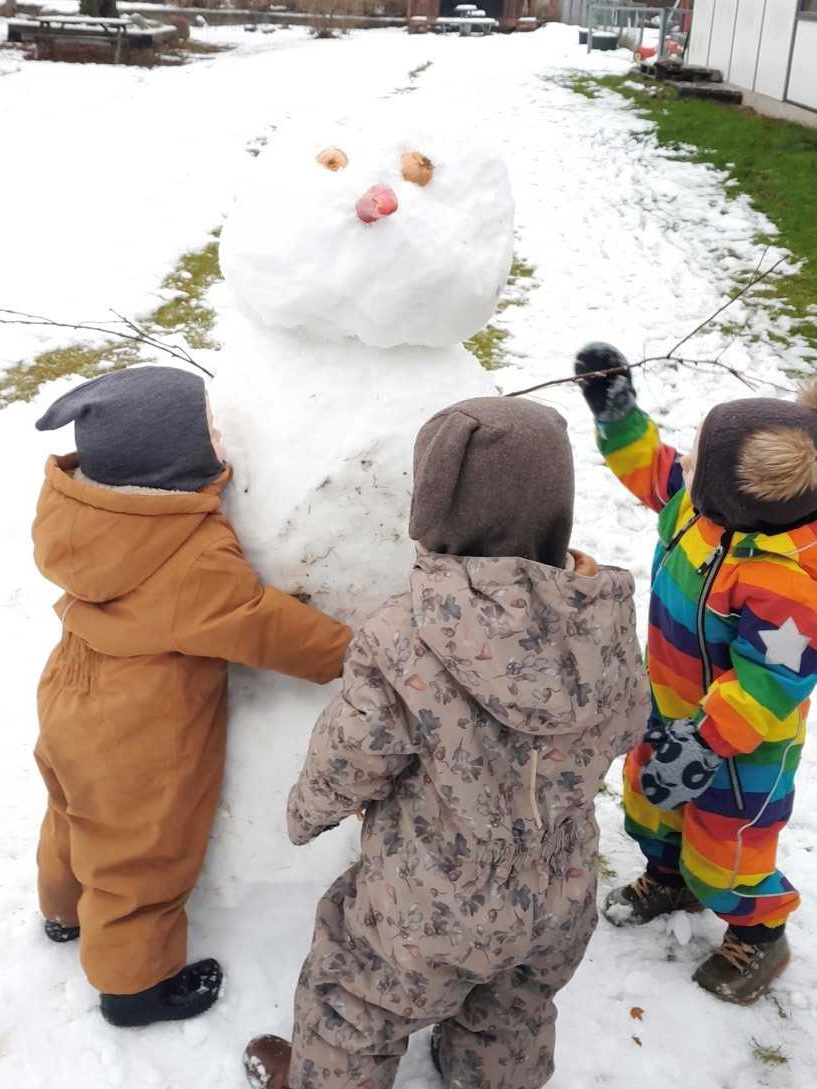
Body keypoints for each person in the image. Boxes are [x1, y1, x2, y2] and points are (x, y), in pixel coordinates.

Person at [244, 397, 648, 1089]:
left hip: (430, 902)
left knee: (354, 997)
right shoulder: (602, 618)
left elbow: (351, 753)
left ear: (433, 507)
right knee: (514, 1009)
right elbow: (629, 723)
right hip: (560, 889)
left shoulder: (405, 633)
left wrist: (306, 811)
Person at [31, 365, 352, 1028]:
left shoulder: (85, 512)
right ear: (176, 463)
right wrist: (359, 652)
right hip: (138, 725)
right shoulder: (187, 555)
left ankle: (63, 910)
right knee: (140, 854)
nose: (221, 437)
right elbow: (264, 624)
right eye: (208, 430)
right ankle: (135, 985)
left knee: (74, 814)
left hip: (71, 692)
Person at [574, 342, 816, 1004]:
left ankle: (758, 934)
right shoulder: (704, 506)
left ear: (733, 496)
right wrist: (619, 417)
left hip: (740, 748)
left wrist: (706, 740)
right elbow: (651, 469)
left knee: (726, 844)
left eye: (697, 460)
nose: (683, 463)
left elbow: (770, 682)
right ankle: (667, 873)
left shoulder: (786, 582)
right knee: (653, 800)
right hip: (670, 704)